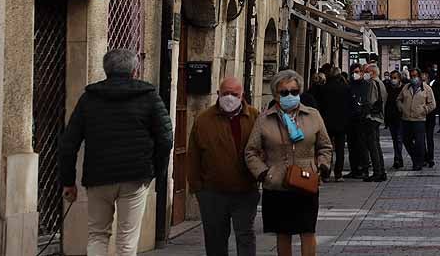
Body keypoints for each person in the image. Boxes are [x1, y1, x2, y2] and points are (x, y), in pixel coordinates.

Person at [59, 49, 173, 256]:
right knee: (127, 239)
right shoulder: (149, 97)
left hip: (98, 176)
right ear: (134, 70)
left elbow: (68, 143)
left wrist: (68, 181)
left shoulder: (89, 99)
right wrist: (156, 171)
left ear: (106, 70)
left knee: (97, 235)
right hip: (136, 176)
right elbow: (165, 139)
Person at [245, 70, 333, 256]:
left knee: (307, 230)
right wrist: (263, 173)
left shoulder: (313, 115)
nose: (290, 96)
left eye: (294, 91)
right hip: (277, 184)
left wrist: (322, 167)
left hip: (306, 182)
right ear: (276, 94)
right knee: (283, 233)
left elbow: (325, 146)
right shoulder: (264, 119)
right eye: (284, 92)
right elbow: (250, 151)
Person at [187, 77, 260, 256]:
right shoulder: (204, 120)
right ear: (218, 94)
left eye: (234, 94)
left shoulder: (254, 117)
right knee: (215, 238)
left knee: (245, 236)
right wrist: (198, 188)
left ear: (242, 94)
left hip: (245, 190)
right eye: (225, 93)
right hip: (212, 192)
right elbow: (194, 156)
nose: (229, 98)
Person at [397, 68, 436, 171]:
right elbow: (399, 99)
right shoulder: (406, 87)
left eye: (415, 76)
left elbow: (432, 104)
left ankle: (418, 163)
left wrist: (424, 110)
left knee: (419, 142)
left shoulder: (426, 88)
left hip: (419, 119)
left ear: (419, 76)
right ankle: (417, 158)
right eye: (412, 76)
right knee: (406, 140)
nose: (413, 78)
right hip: (406, 119)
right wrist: (401, 107)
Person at [317, 64, 351, 181]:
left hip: (327, 122)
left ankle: (326, 173)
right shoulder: (345, 88)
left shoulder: (324, 89)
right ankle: (338, 174)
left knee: (327, 148)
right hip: (341, 123)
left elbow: (320, 106)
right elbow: (349, 106)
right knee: (340, 149)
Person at [362, 63, 388, 182]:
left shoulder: (372, 83)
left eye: (366, 71)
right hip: (379, 117)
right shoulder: (380, 82)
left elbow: (371, 100)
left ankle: (377, 172)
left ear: (371, 72)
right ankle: (381, 171)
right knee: (376, 145)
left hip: (373, 117)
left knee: (373, 146)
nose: (364, 74)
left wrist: (366, 111)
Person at [347, 63, 370, 178]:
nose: (355, 74)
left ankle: (363, 168)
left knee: (362, 145)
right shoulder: (349, 85)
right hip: (351, 120)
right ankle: (354, 169)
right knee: (352, 146)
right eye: (353, 72)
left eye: (357, 72)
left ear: (361, 72)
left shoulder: (366, 85)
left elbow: (367, 101)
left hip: (361, 119)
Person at [384, 70, 405, 169]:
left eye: (395, 78)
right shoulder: (388, 88)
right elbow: (387, 103)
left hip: (400, 117)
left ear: (399, 78)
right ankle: (397, 158)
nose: (393, 80)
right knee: (395, 139)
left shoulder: (404, 88)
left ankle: (398, 159)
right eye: (392, 78)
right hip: (391, 118)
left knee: (399, 139)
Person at [421, 71, 437, 166]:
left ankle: (430, 158)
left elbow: (433, 104)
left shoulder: (430, 89)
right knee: (421, 138)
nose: (423, 82)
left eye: (424, 80)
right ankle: (424, 157)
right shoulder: (417, 89)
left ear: (428, 80)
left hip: (429, 117)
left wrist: (424, 110)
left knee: (429, 138)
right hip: (420, 118)